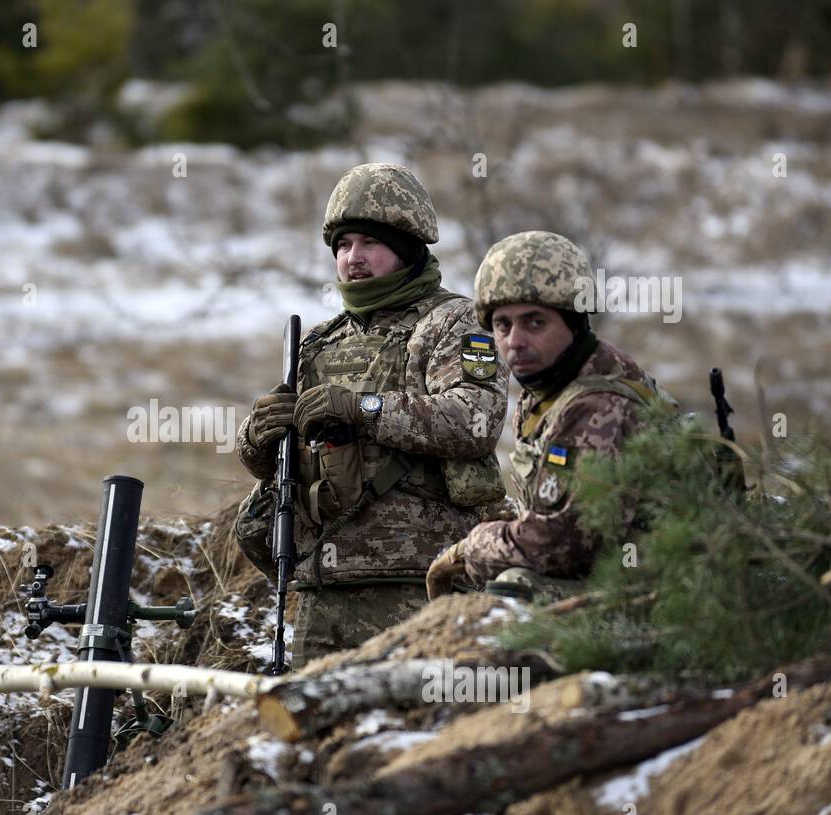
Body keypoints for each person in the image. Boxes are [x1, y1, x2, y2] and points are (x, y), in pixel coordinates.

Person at [236, 163, 507, 664]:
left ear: (405, 247)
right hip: (323, 585)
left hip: (422, 583)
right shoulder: (318, 342)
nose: (352, 258)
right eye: (342, 246)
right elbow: (288, 468)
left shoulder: (453, 322)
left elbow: (476, 420)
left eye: (368, 243)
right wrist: (258, 439)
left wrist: (363, 408)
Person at [426, 230, 669, 603]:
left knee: (515, 589)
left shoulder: (597, 404)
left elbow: (558, 546)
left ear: (573, 321)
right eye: (502, 325)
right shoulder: (549, 391)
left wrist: (472, 548)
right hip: (625, 583)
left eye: (534, 323)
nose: (515, 341)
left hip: (655, 597)